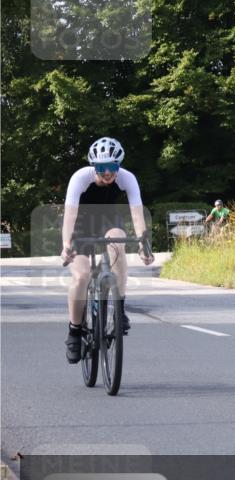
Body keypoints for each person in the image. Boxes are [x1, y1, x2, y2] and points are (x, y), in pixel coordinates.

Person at [61, 137, 153, 364]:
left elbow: (137, 214)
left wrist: (143, 244)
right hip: (80, 224)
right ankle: (74, 331)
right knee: (81, 276)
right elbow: (70, 215)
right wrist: (66, 245)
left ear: (118, 165)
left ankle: (119, 308)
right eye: (102, 167)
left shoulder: (127, 178)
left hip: (109, 220)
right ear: (94, 166)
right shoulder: (80, 178)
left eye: (112, 166)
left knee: (118, 242)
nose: (108, 172)